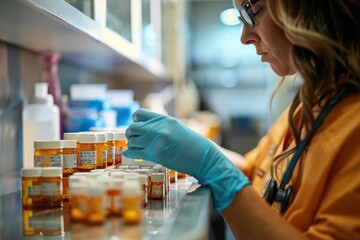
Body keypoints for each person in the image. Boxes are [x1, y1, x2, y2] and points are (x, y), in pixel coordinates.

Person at [124, 0, 360, 239]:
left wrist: (213, 168)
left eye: (252, 12)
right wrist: (193, 147)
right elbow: (254, 172)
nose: (245, 37)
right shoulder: (312, 102)